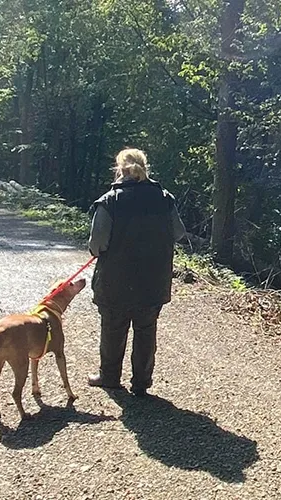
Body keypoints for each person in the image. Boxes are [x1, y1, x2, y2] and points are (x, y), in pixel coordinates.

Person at [88, 148, 186, 396]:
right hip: (153, 281)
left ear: (120, 170)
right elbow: (178, 233)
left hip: (115, 281)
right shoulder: (164, 198)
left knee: (113, 329)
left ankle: (109, 377)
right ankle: (141, 382)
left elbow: (97, 245)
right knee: (146, 331)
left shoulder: (111, 200)